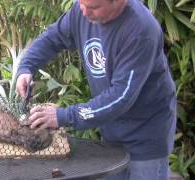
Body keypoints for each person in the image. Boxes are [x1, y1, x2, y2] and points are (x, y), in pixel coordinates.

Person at [15, 0, 177, 179]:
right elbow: (52, 38)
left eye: (93, 7)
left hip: (146, 135)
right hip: (111, 132)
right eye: (81, 3)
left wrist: (62, 116)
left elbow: (120, 97)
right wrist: (27, 68)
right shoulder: (82, 9)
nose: (83, 12)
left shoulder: (141, 30)